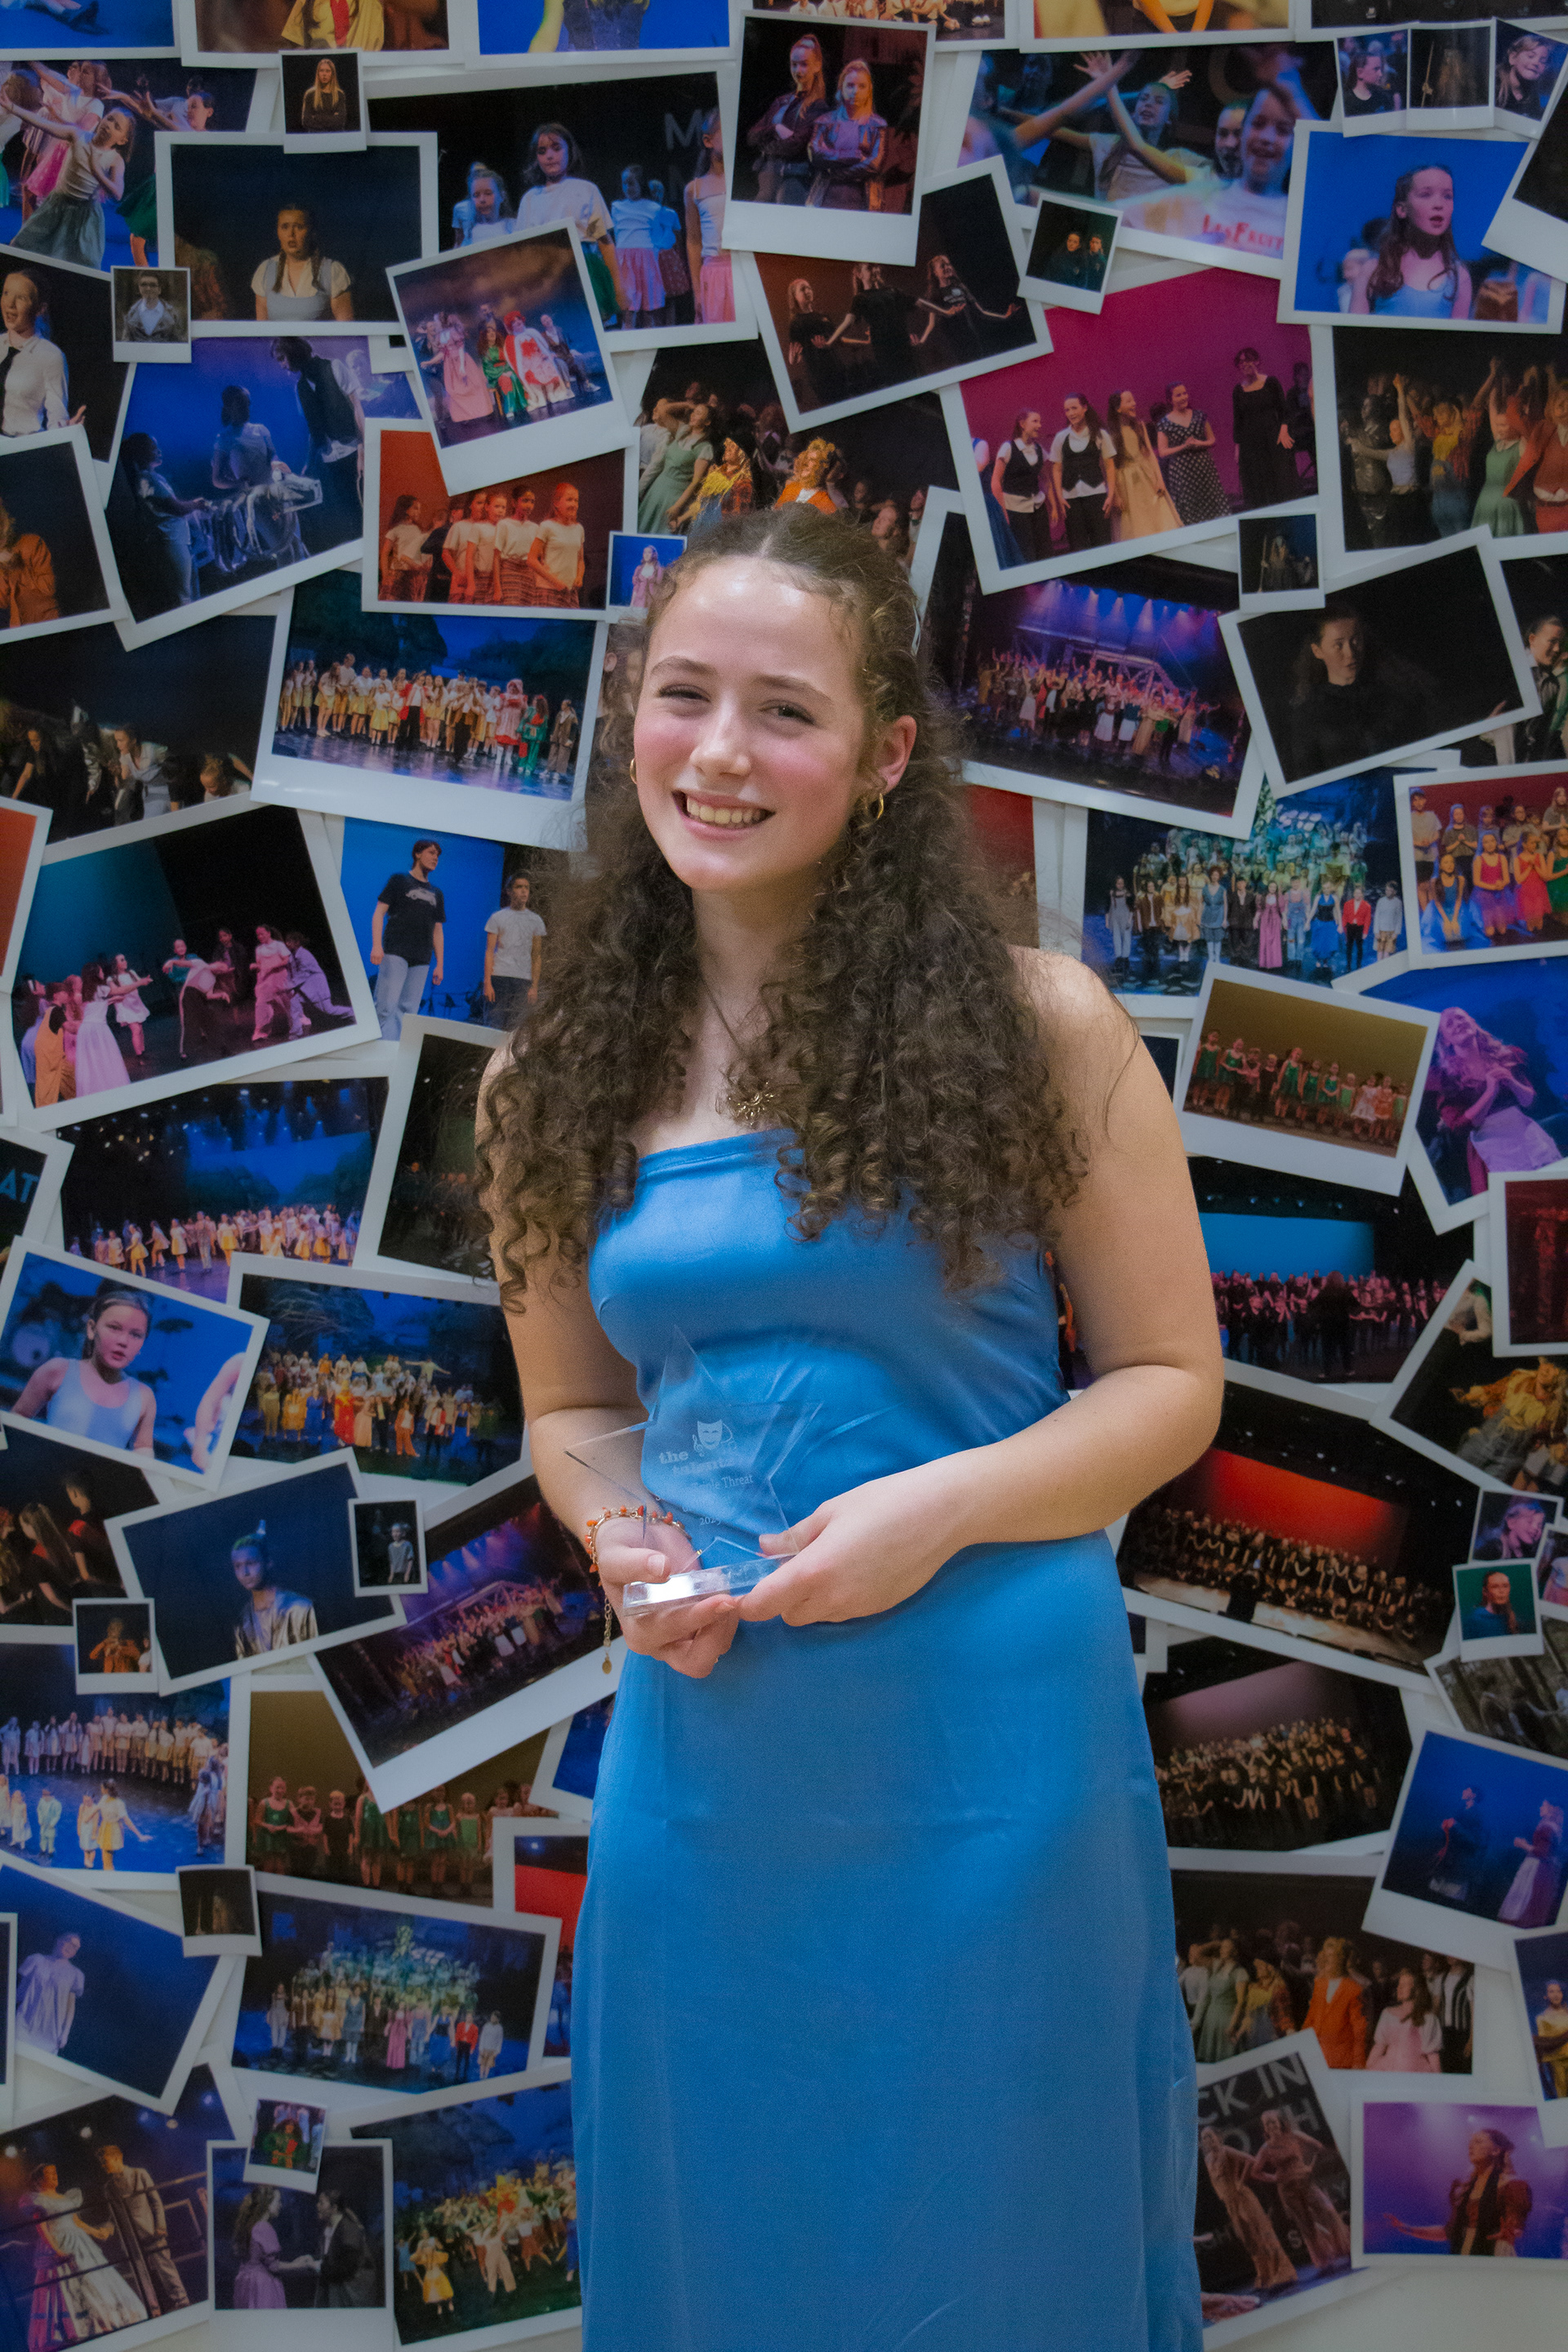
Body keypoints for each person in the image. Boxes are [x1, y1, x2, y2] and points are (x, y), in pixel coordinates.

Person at [478, 508, 1219, 2345]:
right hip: (714, 1747)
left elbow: (1170, 1388)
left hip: (997, 1748)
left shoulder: (1042, 1025)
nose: (720, 754)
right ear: (632, 718)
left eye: (785, 711)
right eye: (684, 697)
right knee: (729, 2227)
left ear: (888, 755)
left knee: (1004, 2233)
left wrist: (938, 1511)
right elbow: (573, 1408)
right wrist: (619, 1535)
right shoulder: (543, 1082)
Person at [1286, 607, 1435, 782]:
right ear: (1318, 651)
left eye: (1356, 641)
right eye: (1338, 645)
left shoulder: (1394, 697)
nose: (1350, 653)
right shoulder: (1308, 715)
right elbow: (1307, 778)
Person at [12, 1283, 156, 1454]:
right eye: (114, 1328)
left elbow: (143, 1450)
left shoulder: (143, 1397)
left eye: (135, 1335)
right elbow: (16, 1419)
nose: (123, 1341)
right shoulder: (57, 1371)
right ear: (92, 1329)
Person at [20, 2163, 149, 2336]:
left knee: (94, 2279)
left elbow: (76, 2221)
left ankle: (106, 2319)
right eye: (50, 2174)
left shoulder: (65, 2198)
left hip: (79, 2242)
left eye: (55, 2172)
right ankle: (77, 2327)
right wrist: (56, 2251)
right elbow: (42, 2228)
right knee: (70, 2284)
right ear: (40, 2179)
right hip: (59, 2241)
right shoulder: (39, 2200)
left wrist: (96, 2232)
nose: (55, 2176)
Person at [1347, 165, 1472, 320]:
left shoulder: (1458, 276)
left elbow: (1460, 334)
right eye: (1426, 195)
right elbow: (1353, 330)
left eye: (1447, 196)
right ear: (1402, 209)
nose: (1439, 205)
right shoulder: (1374, 270)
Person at [1383, 2126, 1533, 2254]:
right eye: (1470, 2142)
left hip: (1493, 2255)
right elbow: (1449, 2232)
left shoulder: (1513, 2186)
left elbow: (1515, 2225)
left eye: (1478, 2142)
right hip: (1464, 2253)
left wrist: (1511, 2231)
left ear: (1496, 2150)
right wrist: (1407, 2228)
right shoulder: (1466, 2190)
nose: (1470, 2146)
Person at [96, 2145, 189, 2315]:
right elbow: (113, 2216)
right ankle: (153, 2309)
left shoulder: (139, 2174)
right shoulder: (109, 2188)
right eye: (101, 2163)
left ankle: (181, 2301)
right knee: (141, 2274)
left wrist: (160, 2226)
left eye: (105, 2161)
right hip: (131, 2238)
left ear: (117, 2158)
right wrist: (106, 2230)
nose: (103, 2166)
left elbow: (156, 2201)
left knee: (165, 2268)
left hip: (151, 2231)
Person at [372, 838, 443, 1041]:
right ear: (417, 854)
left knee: (408, 1011)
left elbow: (438, 930)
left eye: (438, 855)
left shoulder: (437, 893)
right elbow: (379, 913)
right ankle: (375, 1050)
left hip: (421, 957)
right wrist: (377, 946)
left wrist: (440, 964)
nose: (435, 858)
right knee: (385, 1006)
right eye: (431, 853)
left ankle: (393, 1052)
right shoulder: (399, 880)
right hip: (396, 950)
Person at [746, 34, 828, 206]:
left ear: (817, 65)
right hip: (768, 178)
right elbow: (752, 136)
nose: (798, 70)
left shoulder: (818, 107)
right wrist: (775, 128)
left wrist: (766, 146)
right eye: (794, 64)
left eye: (804, 64)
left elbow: (795, 145)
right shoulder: (781, 101)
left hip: (795, 180)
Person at [252, 203, 354, 324]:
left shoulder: (332, 271)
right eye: (285, 227)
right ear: (278, 232)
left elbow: (346, 329)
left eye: (299, 227)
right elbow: (262, 328)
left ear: (311, 232)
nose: (291, 234)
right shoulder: (265, 270)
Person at [231, 1521, 320, 1657]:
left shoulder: (300, 1608)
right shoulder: (242, 1621)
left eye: (251, 1563)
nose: (245, 1572)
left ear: (268, 1562)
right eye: (238, 1566)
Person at [1049, 394, 1118, 552]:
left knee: (1102, 543)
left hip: (1096, 495)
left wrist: (1111, 495)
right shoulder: (1061, 437)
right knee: (1078, 545)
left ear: (1085, 408)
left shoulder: (1100, 434)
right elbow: (1057, 468)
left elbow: (1109, 466)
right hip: (1071, 499)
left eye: (1074, 408)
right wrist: (1060, 496)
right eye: (1067, 410)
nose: (1071, 413)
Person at [1232, 348, 1298, 509]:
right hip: (1251, 444)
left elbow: (1284, 411)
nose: (1244, 364)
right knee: (1258, 484)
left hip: (1272, 438)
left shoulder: (1271, 383)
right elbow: (1238, 421)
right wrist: (1238, 447)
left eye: (1247, 360)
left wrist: (1284, 430)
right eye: (1240, 362)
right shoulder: (1238, 390)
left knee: (1280, 480)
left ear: (1257, 361)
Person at [1156, 384, 1229, 525]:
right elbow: (1163, 452)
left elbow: (1212, 440)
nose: (1183, 397)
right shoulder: (1165, 423)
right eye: (1178, 395)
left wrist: (1199, 443)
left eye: (1185, 393)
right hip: (1182, 472)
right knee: (1190, 507)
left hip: (1203, 467)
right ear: (1170, 400)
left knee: (1213, 502)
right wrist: (1184, 447)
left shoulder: (1199, 416)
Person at [685, 109, 733, 326]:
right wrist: (697, 292)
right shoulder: (694, 189)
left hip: (744, 268)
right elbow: (694, 241)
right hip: (714, 274)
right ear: (708, 141)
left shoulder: (743, 182)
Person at [483, 871, 546, 1031]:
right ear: (509, 891)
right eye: (519, 887)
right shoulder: (498, 917)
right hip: (500, 978)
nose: (524, 891)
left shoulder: (536, 920)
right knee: (494, 1025)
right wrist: (487, 982)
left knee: (515, 1029)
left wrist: (534, 987)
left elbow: (537, 956)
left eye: (527, 887)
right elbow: (489, 952)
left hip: (523, 981)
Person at [16, 1932, 83, 2054]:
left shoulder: (75, 1974)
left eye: (75, 1947)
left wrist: (65, 2033)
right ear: (59, 1940)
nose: (71, 1947)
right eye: (69, 1941)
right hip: (24, 2023)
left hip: (50, 2033)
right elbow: (20, 1989)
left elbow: (70, 2007)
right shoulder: (36, 1960)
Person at [315, 2186, 377, 2307]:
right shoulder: (331, 2229)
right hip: (341, 2294)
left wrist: (318, 2266)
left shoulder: (348, 2229)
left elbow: (347, 2267)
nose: (318, 2206)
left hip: (352, 2296)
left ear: (334, 2208)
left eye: (322, 2203)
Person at [121, 268, 183, 344]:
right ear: (139, 288)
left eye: (153, 285)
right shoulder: (130, 315)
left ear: (159, 289)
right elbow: (125, 343)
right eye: (144, 284)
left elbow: (179, 343)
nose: (148, 288)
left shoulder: (173, 315)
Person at [299, 59, 348, 136]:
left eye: (328, 71)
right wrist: (332, 118)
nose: (324, 74)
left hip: (335, 136)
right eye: (321, 71)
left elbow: (341, 121)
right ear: (318, 73)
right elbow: (306, 121)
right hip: (316, 136)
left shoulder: (339, 95)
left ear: (332, 74)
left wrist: (317, 117)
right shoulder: (310, 94)